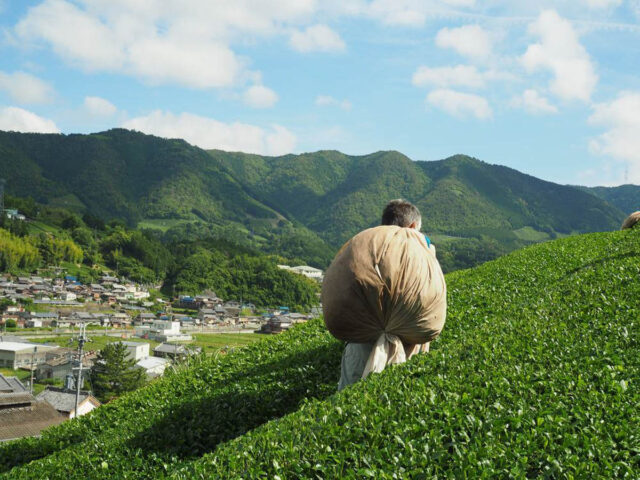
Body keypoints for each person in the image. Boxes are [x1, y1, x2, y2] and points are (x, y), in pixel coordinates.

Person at [337, 199, 435, 391]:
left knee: (347, 409)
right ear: (413, 226)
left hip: (360, 344)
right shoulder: (421, 250)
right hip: (405, 347)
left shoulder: (366, 245)